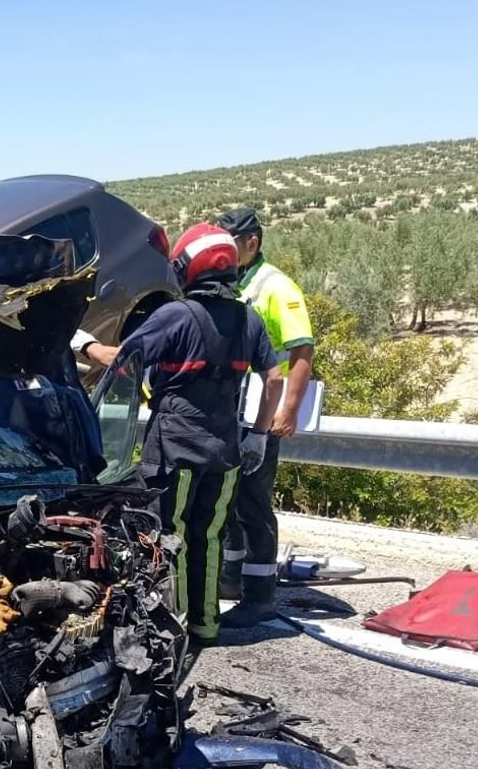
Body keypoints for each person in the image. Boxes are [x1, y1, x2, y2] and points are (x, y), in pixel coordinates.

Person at [83, 223, 279, 647]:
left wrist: (81, 343)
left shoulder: (174, 316)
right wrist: (258, 434)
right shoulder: (250, 319)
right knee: (207, 536)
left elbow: (121, 360)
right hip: (225, 453)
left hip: (173, 451)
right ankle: (205, 625)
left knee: (165, 536)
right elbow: (274, 379)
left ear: (189, 268)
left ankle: (171, 626)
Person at [214, 206, 315, 628]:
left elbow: (301, 349)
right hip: (231, 412)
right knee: (230, 501)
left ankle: (261, 596)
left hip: (262, 413)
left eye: (228, 245)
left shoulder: (275, 286)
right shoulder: (230, 283)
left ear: (251, 243)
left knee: (254, 502)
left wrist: (288, 410)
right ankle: (231, 579)